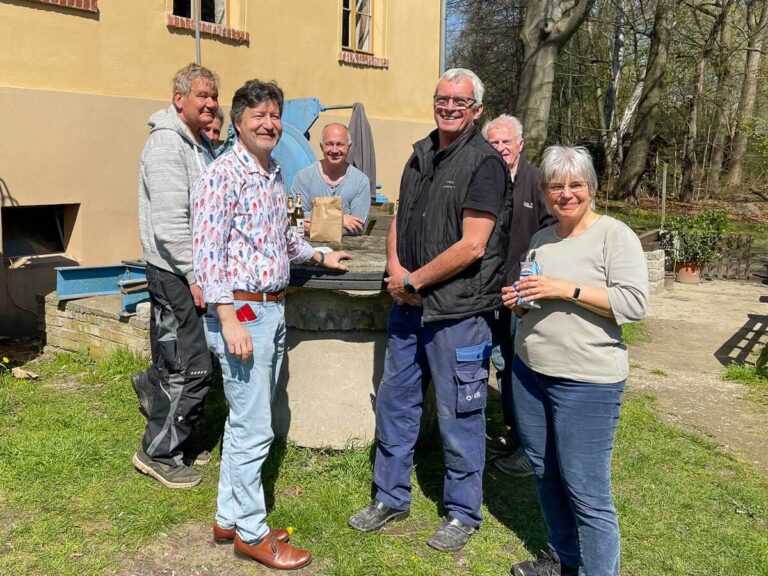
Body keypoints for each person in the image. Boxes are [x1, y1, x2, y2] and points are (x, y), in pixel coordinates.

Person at [347, 68, 511, 553]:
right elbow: (400, 217)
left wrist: (416, 280)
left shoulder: (484, 163)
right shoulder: (420, 154)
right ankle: (390, 496)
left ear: (476, 110)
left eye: (461, 102)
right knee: (396, 404)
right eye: (443, 98)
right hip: (408, 309)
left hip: (459, 312)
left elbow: (474, 246)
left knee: (461, 413)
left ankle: (462, 513)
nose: (450, 107)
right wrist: (397, 272)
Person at [191, 79, 351, 570]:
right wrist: (227, 318)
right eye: (258, 115)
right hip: (241, 313)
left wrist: (322, 254)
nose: (270, 124)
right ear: (238, 121)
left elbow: (282, 238)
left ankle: (227, 518)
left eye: (275, 115)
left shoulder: (273, 171)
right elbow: (207, 256)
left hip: (272, 309)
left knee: (244, 421)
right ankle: (253, 534)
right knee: (256, 426)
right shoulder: (223, 175)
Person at [501, 146, 648, 576]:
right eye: (555, 186)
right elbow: (537, 299)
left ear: (591, 188)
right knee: (546, 474)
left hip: (587, 382)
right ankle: (564, 558)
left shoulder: (614, 235)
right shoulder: (543, 239)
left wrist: (568, 289)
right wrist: (520, 302)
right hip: (531, 373)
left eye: (575, 185)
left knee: (586, 489)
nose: (565, 194)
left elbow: (634, 304)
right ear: (545, 192)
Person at [132, 63, 219, 489]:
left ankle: (168, 426)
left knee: (175, 361)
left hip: (178, 272)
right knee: (191, 367)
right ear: (178, 98)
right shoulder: (168, 145)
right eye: (202, 95)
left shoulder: (193, 142)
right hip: (174, 273)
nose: (211, 103)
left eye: (214, 96)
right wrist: (195, 274)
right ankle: (157, 452)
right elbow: (170, 225)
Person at [481, 114, 556, 477]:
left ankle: (532, 449)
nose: (499, 149)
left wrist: (531, 281)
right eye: (493, 143)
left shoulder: (537, 181)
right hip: (487, 293)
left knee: (522, 366)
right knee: (499, 364)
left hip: (522, 293)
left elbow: (553, 234)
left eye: (505, 142)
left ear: (520, 144)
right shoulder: (483, 180)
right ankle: (515, 434)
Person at [291, 123, 370, 236]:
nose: (334, 150)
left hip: (349, 249)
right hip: (308, 250)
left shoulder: (360, 181)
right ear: (321, 146)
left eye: (340, 144)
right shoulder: (303, 177)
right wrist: (341, 219)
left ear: (349, 147)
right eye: (329, 144)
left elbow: (357, 226)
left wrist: (314, 225)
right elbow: (297, 219)